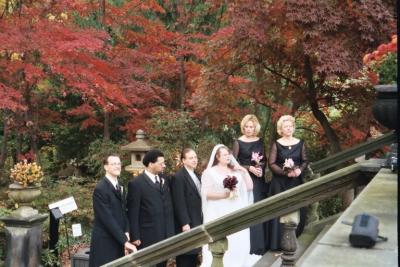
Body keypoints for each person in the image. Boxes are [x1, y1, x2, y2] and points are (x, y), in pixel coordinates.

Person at [200, 144, 261, 267]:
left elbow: (249, 187)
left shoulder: (235, 170)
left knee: (238, 238)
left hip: (235, 208)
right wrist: (224, 195)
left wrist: (244, 171)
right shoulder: (209, 172)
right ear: (217, 157)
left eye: (229, 154)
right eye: (224, 155)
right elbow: (206, 194)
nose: (228, 157)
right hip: (217, 210)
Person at [127, 149, 175, 267]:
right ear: (150, 164)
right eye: (161, 163)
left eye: (164, 162)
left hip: (165, 234)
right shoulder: (136, 183)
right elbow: (133, 212)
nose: (164, 165)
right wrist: (135, 235)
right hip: (147, 235)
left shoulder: (165, 179)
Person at [268, 115, 308, 251]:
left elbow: (305, 161)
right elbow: (272, 163)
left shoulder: (300, 143)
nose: (289, 128)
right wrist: (286, 172)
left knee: (297, 209)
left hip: (296, 181)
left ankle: (294, 239)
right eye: (286, 126)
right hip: (280, 183)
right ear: (281, 129)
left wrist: (299, 171)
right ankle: (278, 243)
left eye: (291, 126)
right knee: (280, 211)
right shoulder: (277, 144)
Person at [89, 155, 137, 267]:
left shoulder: (120, 186)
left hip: (118, 237)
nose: (117, 166)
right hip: (105, 240)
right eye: (113, 164)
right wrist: (125, 241)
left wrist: (126, 230)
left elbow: (123, 211)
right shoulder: (100, 189)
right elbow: (107, 218)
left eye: (119, 163)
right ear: (106, 167)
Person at [232, 114, 269, 255]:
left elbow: (264, 159)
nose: (248, 129)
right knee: (248, 209)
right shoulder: (238, 142)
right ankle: (248, 247)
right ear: (243, 127)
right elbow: (233, 163)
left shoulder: (260, 141)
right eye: (246, 127)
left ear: (255, 128)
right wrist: (249, 168)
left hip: (258, 180)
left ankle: (260, 246)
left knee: (258, 209)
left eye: (251, 127)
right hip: (244, 180)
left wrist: (260, 169)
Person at [171, 148, 203, 267]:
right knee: (185, 255)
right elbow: (179, 201)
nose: (194, 160)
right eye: (191, 158)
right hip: (187, 223)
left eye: (195, 157)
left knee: (194, 255)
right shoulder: (179, 177)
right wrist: (185, 223)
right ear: (183, 160)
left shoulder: (196, 174)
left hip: (197, 220)